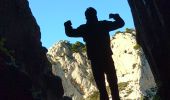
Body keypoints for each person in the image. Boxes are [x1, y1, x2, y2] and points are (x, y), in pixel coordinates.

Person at [64, 7, 124, 100]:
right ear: (96, 15)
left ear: (86, 17)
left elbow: (70, 33)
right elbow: (121, 23)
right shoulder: (103, 24)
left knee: (102, 87)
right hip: (106, 57)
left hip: (95, 60)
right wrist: (115, 16)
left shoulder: (85, 28)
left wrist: (67, 25)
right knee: (113, 84)